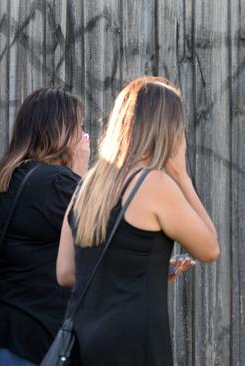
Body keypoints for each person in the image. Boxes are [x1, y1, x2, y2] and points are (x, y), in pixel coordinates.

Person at [57, 76, 220, 365]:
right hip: (133, 342)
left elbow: (66, 273)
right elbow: (209, 248)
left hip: (83, 339)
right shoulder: (153, 184)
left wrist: (142, 273)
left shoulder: (87, 185)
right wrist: (181, 175)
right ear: (166, 129)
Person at [0, 88, 90, 365]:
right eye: (80, 127)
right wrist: (79, 173)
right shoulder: (58, 184)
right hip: (31, 340)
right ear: (61, 131)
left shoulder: (11, 178)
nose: (85, 137)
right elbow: (91, 240)